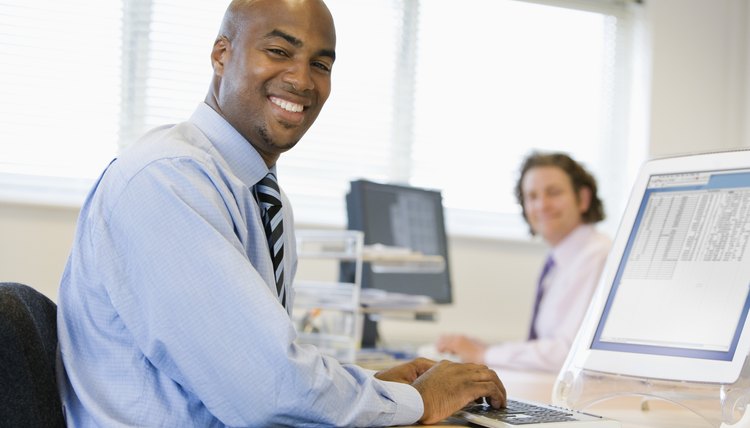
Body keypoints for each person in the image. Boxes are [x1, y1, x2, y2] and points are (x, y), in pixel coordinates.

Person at [55, 0, 506, 426]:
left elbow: (263, 362)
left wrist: (372, 386)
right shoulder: (169, 181)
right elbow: (264, 392)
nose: (303, 80)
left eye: (321, 64)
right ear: (221, 55)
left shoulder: (256, 191)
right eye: (278, 51)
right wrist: (418, 399)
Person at [436, 152, 611, 372]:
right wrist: (487, 350)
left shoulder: (596, 256)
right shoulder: (558, 261)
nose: (542, 205)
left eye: (553, 193)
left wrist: (484, 355)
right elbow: (551, 345)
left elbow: (568, 352)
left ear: (583, 199)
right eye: (532, 196)